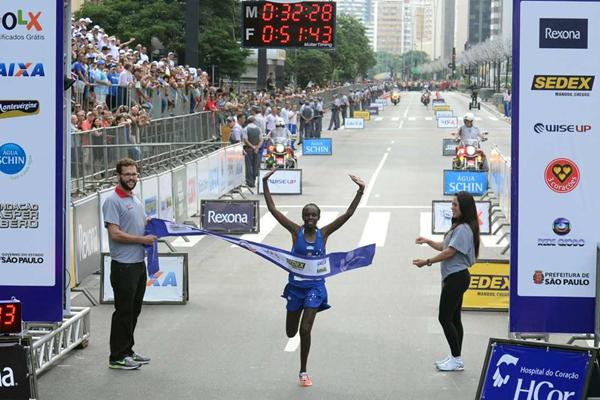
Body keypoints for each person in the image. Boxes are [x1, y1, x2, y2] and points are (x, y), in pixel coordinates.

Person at [262, 168, 365, 387]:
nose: (310, 218)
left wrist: (361, 190)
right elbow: (272, 209)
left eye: (313, 215)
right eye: (307, 215)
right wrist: (265, 182)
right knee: (291, 332)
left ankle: (303, 372)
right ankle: (294, 311)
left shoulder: (324, 233)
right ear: (303, 217)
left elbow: (347, 215)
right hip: (295, 287)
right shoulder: (294, 231)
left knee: (305, 329)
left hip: (315, 288)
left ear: (318, 218)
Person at [412, 191, 480, 372]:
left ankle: (456, 359)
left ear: (464, 207)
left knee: (444, 318)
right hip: (454, 277)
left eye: (455, 204)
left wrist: (426, 262)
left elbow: (449, 253)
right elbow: (445, 246)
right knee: (455, 319)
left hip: (457, 278)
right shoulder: (458, 226)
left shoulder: (464, 229)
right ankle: (455, 357)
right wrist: (428, 241)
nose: (452, 207)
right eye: (452, 204)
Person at [102, 158, 156, 370]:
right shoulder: (113, 201)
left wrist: (148, 224)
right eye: (127, 174)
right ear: (118, 176)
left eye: (134, 174)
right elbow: (115, 234)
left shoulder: (134, 198)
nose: (132, 178)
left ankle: (127, 350)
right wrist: (142, 240)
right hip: (123, 266)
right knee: (123, 312)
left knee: (134, 310)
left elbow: (135, 225)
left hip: (137, 263)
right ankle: (117, 356)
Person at [242, 116, 262, 187]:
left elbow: (245, 140)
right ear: (254, 121)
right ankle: (254, 179)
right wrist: (257, 148)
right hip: (256, 149)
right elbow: (261, 140)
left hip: (248, 149)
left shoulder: (245, 129)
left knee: (249, 165)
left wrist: (252, 147)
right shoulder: (258, 129)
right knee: (255, 165)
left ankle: (250, 182)